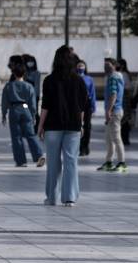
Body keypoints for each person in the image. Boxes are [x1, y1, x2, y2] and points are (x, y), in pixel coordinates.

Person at [38, 46, 87, 207]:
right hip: (73, 125)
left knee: (53, 163)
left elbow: (45, 106)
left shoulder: (49, 80)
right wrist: (81, 124)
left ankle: (51, 197)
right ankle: (69, 197)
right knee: (71, 161)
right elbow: (82, 106)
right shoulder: (79, 81)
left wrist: (40, 125)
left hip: (53, 125)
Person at [2, 62, 45, 167]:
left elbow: (4, 102)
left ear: (13, 73)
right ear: (24, 73)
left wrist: (4, 114)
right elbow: (33, 103)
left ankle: (21, 161)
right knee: (30, 134)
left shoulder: (8, 86)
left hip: (14, 109)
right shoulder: (29, 86)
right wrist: (34, 115)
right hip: (25, 109)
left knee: (16, 137)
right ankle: (39, 155)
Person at [98, 58, 127, 173]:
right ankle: (109, 162)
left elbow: (114, 94)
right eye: (104, 65)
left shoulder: (114, 77)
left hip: (114, 111)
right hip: (113, 111)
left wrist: (108, 110)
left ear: (114, 65)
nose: (105, 67)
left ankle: (122, 163)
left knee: (116, 138)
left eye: (108, 65)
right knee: (109, 138)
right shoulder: (113, 77)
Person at [76, 60, 96, 157]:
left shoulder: (89, 79)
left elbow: (92, 93)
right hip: (77, 103)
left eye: (82, 66)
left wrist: (93, 106)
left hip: (87, 103)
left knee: (87, 126)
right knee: (78, 125)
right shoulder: (74, 78)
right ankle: (79, 146)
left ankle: (85, 146)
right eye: (79, 66)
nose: (80, 68)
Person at [118, 58, 134, 146]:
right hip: (123, 98)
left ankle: (125, 138)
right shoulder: (123, 74)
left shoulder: (123, 74)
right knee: (123, 119)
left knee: (124, 119)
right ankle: (123, 138)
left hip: (123, 98)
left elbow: (127, 86)